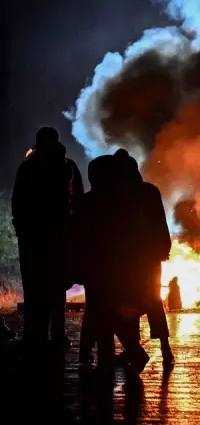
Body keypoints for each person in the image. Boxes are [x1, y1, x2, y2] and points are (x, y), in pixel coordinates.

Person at [73, 155, 149, 371]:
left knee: (101, 310)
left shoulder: (87, 202)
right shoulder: (123, 203)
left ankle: (115, 354)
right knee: (108, 310)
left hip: (96, 267)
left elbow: (77, 235)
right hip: (116, 267)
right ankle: (114, 354)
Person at [12, 127, 82, 351]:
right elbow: (78, 201)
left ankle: (33, 335)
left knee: (33, 286)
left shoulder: (28, 167)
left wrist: (21, 227)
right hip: (60, 235)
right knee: (57, 286)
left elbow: (18, 201)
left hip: (33, 236)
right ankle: (58, 335)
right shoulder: (68, 167)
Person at [114, 150, 174, 365]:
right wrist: (164, 247)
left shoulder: (118, 196)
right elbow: (160, 222)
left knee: (129, 300)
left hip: (130, 257)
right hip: (150, 256)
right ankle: (165, 349)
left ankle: (134, 347)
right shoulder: (149, 191)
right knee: (153, 301)